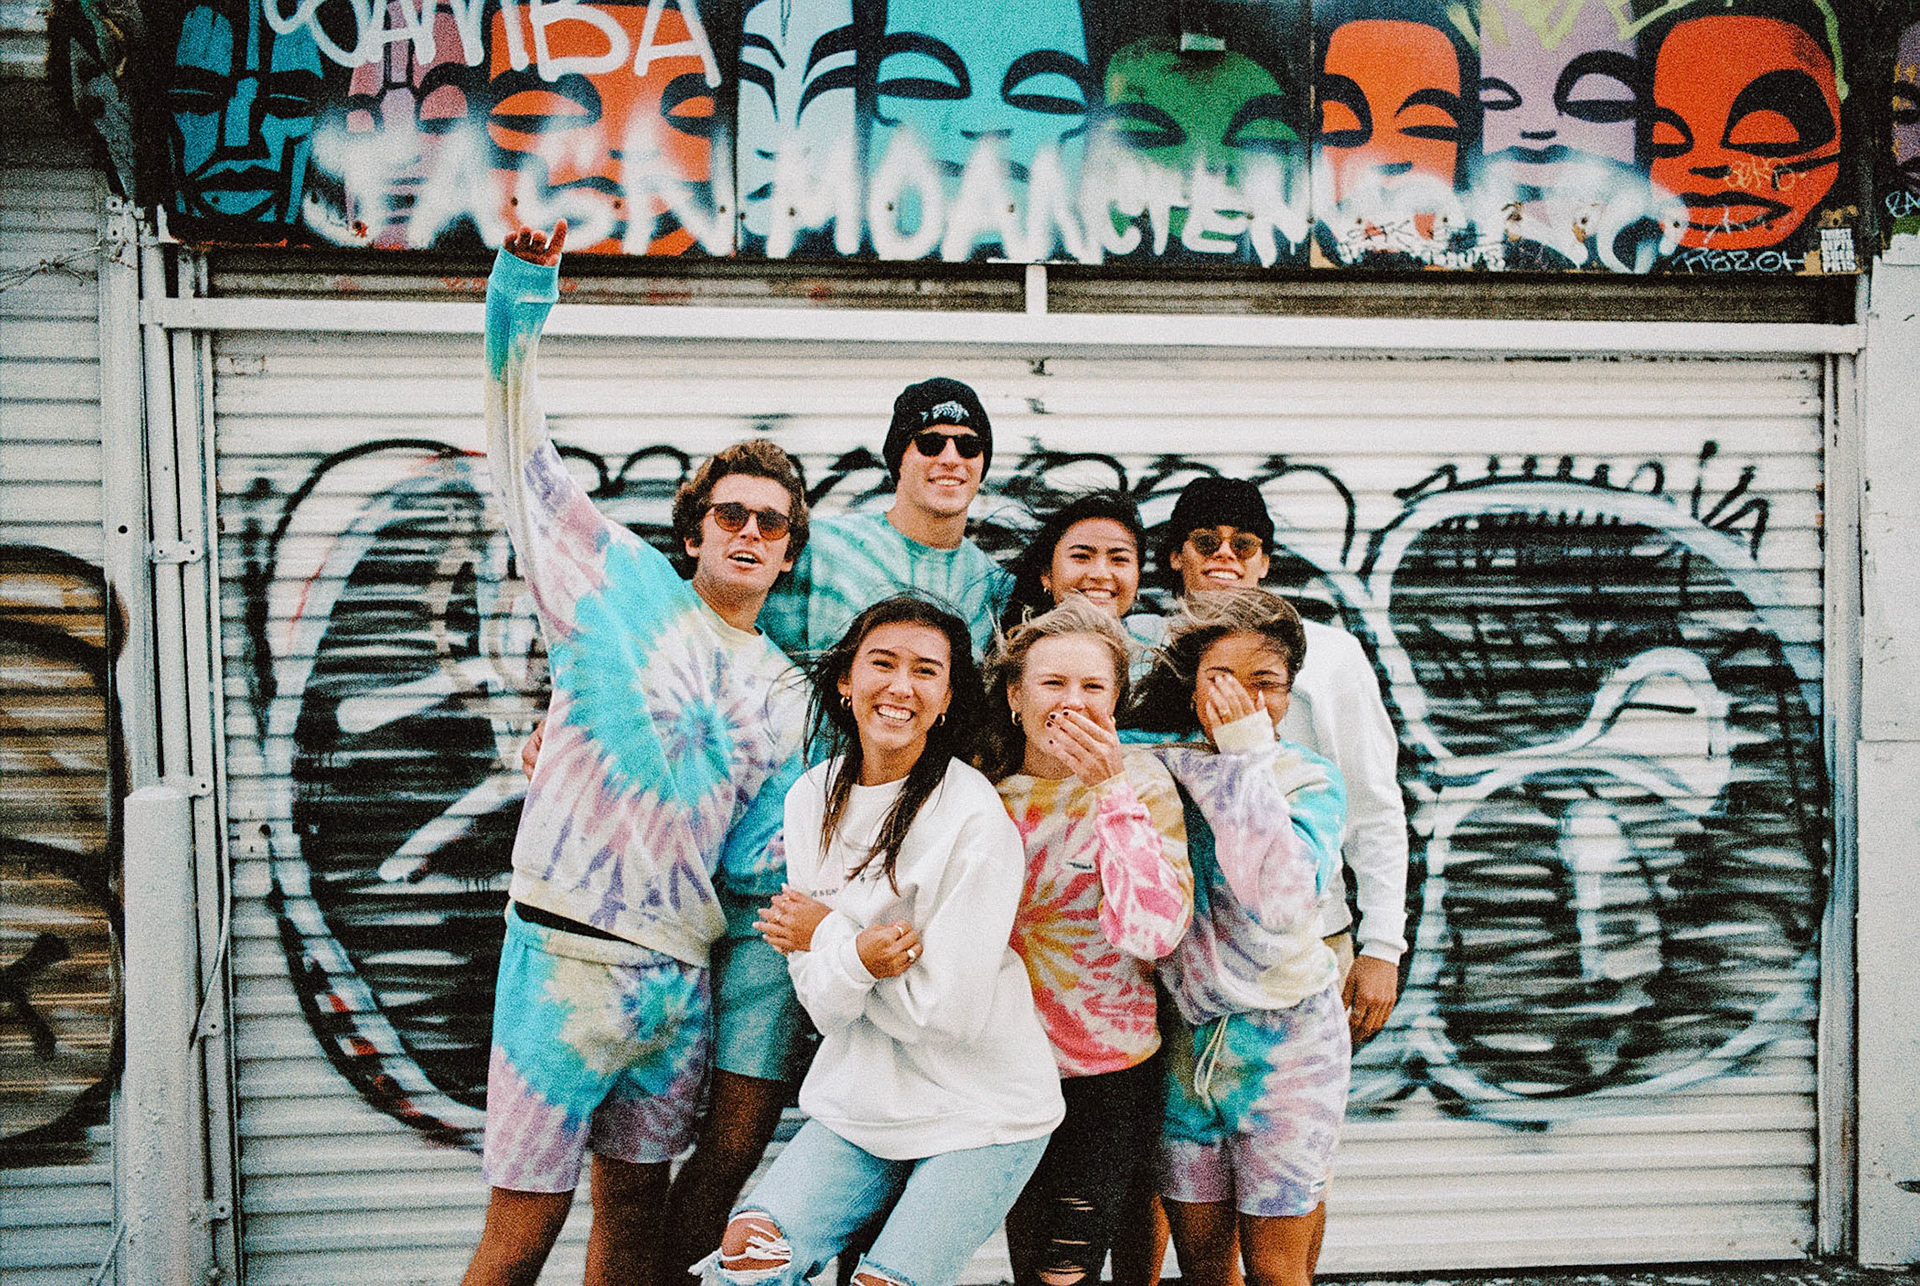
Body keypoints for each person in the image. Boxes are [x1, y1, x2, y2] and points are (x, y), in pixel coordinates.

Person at [466, 221, 811, 1286]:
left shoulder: (791, 693)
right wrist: (523, 290)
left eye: (773, 524)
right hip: (563, 956)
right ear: (692, 530)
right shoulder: (613, 582)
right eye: (731, 514)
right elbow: (520, 448)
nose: (750, 531)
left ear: (789, 554)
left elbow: (757, 867)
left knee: (633, 1229)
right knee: (520, 1233)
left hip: (677, 982)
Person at [704, 596, 1064, 1286]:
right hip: (864, 1100)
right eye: (883, 663)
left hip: (983, 1109)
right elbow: (822, 1006)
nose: (901, 686)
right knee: (748, 1259)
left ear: (947, 699)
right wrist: (861, 957)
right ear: (847, 679)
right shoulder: (811, 798)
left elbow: (947, 1015)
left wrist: (833, 938)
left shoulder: (973, 818)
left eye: (926, 671)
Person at [1130, 589, 1350, 1286]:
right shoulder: (1157, 763)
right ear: (1192, 681)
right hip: (1185, 1044)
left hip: (1290, 1047)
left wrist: (1247, 755)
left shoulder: (1308, 778)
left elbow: (1282, 898)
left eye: (1267, 682)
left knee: (1276, 1267)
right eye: (1223, 677)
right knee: (1201, 1264)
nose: (1245, 699)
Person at [981, 599, 1193, 1286]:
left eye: (1092, 686)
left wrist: (1110, 791)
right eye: (1052, 683)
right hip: (1003, 1067)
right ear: (1015, 696)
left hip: (1107, 1071)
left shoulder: (1141, 785)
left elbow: (1154, 933)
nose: (1072, 702)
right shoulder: (978, 790)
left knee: (1065, 1270)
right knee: (1030, 1261)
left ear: (1116, 700)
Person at [761, 377, 1012, 663]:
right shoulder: (820, 548)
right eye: (930, 443)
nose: (951, 458)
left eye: (969, 446)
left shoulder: (997, 587)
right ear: (898, 458)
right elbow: (755, 653)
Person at [1000, 490, 1157, 660]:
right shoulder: (1018, 659)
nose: (1100, 574)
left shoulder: (1155, 657)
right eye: (1081, 556)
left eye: (1119, 559)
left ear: (1138, 576)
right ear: (1047, 574)